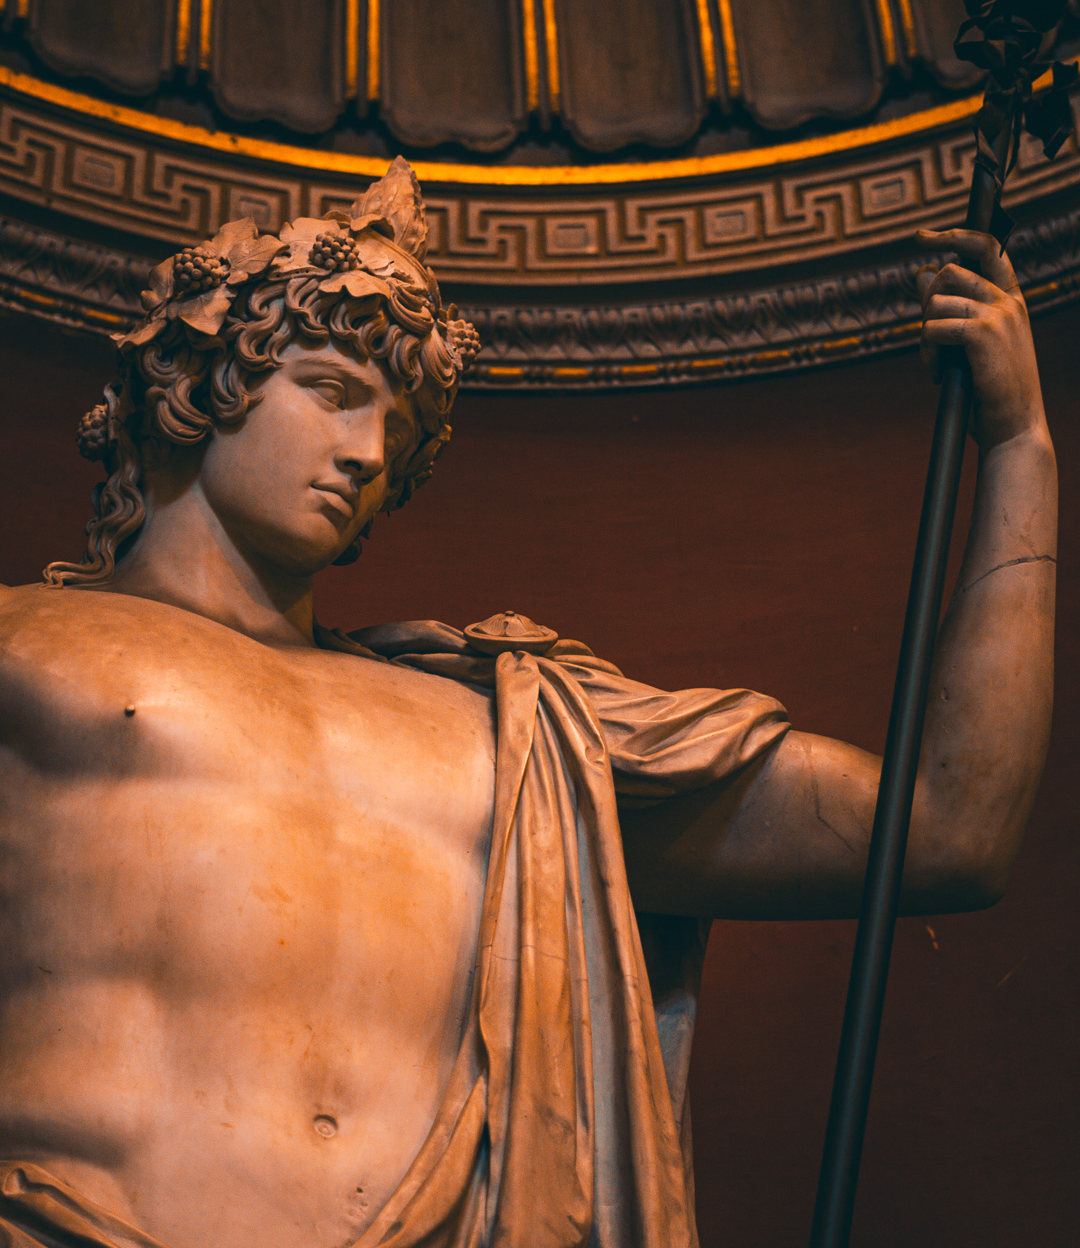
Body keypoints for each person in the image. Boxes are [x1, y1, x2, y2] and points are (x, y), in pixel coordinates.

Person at [0, 159, 1056, 1248]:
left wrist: (1020, 445)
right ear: (199, 378)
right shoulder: (27, 641)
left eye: (399, 432)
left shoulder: (511, 731)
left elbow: (945, 828)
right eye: (332, 389)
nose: (366, 453)